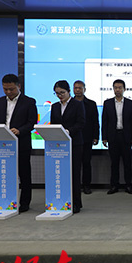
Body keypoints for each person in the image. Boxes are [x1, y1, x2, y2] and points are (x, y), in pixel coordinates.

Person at [0, 74, 38, 212]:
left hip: (21, 143)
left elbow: (32, 122)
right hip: (2, 145)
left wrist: (20, 130)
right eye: (5, 89)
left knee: (24, 174)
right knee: (4, 174)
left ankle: (24, 203)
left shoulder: (29, 102)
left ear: (19, 86)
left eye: (11, 89)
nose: (8, 92)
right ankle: (5, 201)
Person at [51, 80, 85, 213]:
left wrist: (68, 131)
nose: (60, 96)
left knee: (74, 173)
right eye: (57, 93)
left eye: (62, 93)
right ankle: (61, 201)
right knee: (61, 173)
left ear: (69, 91)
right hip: (59, 145)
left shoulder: (77, 104)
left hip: (75, 143)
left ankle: (76, 203)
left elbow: (81, 123)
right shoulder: (55, 106)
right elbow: (54, 124)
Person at [102, 79, 132, 195]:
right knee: (114, 163)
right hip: (113, 136)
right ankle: (114, 185)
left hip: (126, 136)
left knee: (127, 162)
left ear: (124, 89)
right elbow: (105, 121)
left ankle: (128, 185)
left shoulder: (130, 103)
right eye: (115, 87)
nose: (117, 90)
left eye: (120, 87)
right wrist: (104, 137)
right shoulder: (107, 103)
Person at [73, 80, 99, 195]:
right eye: (76, 88)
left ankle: (86, 185)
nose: (78, 90)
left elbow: (95, 121)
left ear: (84, 89)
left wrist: (96, 136)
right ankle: (75, 185)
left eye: (80, 88)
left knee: (86, 163)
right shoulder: (70, 103)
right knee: (74, 163)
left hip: (87, 137)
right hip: (73, 138)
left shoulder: (91, 104)